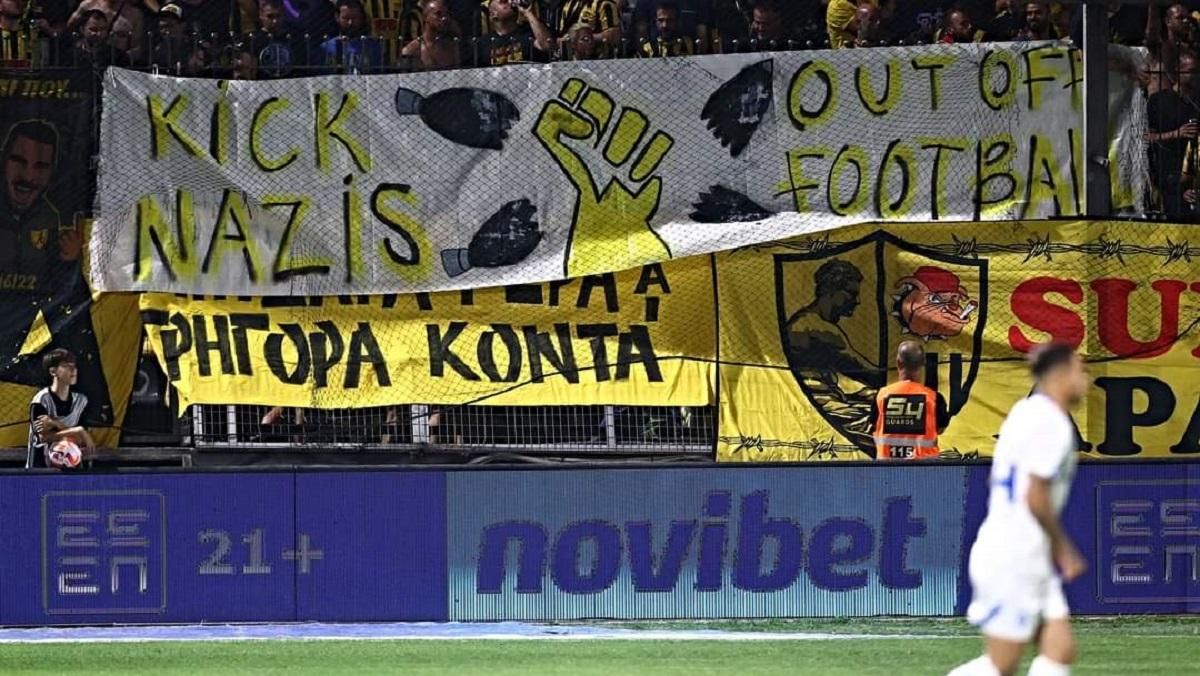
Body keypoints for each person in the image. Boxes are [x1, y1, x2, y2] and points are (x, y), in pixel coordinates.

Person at [948, 343, 1089, 676]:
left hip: (1020, 549)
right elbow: (1035, 495)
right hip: (1015, 555)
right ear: (1062, 373)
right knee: (1001, 665)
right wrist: (1064, 549)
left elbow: (999, 478)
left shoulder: (1023, 412)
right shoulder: (1052, 424)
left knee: (1059, 651)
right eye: (1081, 371)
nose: (1086, 380)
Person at [871, 341, 949, 461]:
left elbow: (874, 425)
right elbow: (940, 429)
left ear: (898, 362)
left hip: (887, 467)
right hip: (925, 467)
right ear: (923, 363)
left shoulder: (881, 395)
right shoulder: (934, 398)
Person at [1147, 51, 1200, 218]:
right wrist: (1176, 133)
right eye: (1190, 71)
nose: (1194, 76)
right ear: (1178, 70)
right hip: (1168, 173)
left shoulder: (1195, 103)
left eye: (1196, 72)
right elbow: (1145, 137)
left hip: (1192, 171)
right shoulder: (1159, 101)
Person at [27, 349, 95, 469]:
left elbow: (80, 439)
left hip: (73, 466)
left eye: (74, 366)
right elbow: (43, 438)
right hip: (40, 468)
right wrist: (76, 430)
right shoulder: (41, 400)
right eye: (67, 366)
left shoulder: (81, 401)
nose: (73, 370)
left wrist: (55, 423)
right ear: (53, 371)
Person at [473, 0, 551, 66]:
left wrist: (528, 13)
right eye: (504, 2)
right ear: (493, 14)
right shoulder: (483, 43)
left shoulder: (530, 31)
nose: (510, 2)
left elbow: (546, 45)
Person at [320, 0, 384, 72]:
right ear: (337, 17)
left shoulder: (374, 47)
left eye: (354, 18)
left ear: (362, 18)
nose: (350, 22)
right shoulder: (327, 48)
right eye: (345, 18)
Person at [400, 0, 461, 69]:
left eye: (446, 14)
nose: (444, 18)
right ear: (425, 17)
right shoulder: (412, 50)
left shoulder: (451, 47)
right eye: (438, 14)